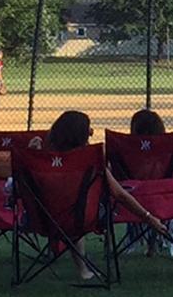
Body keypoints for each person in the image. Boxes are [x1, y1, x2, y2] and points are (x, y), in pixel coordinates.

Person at [45, 111, 166, 281]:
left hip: (40, 218)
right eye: (88, 129)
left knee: (68, 208)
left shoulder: (39, 159)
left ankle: (69, 260)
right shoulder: (90, 160)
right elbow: (119, 194)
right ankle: (83, 270)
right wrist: (148, 217)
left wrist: (34, 149)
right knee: (78, 211)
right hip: (82, 217)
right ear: (81, 135)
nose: (91, 132)